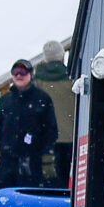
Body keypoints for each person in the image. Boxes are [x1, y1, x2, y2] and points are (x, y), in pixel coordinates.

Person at [0, 57, 58, 188]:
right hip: (7, 163)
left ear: (31, 75)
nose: (19, 75)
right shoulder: (5, 101)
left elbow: (51, 131)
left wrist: (47, 158)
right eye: (15, 72)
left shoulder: (42, 99)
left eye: (23, 71)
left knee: (29, 200)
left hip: (32, 163)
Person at [32, 42, 79, 185]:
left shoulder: (37, 81)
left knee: (46, 180)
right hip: (69, 136)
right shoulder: (72, 78)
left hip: (45, 139)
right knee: (66, 180)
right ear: (62, 56)